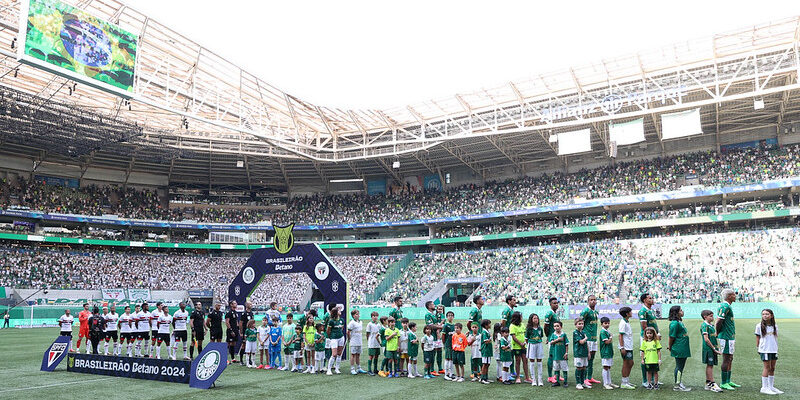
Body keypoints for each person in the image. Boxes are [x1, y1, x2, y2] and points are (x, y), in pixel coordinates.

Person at [716, 288, 738, 390]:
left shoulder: (727, 306)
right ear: (729, 296)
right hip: (725, 337)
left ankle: (728, 381)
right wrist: (717, 332)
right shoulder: (724, 306)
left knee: (730, 358)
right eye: (734, 295)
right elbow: (719, 321)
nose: (735, 296)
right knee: (726, 359)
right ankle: (723, 382)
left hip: (730, 336)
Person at [755, 308, 781, 395]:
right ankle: (764, 387)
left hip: (773, 349)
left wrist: (776, 348)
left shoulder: (775, 326)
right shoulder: (759, 326)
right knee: (767, 367)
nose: (765, 316)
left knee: (772, 368)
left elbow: (775, 338)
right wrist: (758, 347)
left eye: (767, 314)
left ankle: (771, 386)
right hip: (765, 349)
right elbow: (758, 337)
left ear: (771, 315)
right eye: (763, 314)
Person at [638, 293, 660, 387]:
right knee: (645, 359)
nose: (652, 299)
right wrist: (650, 337)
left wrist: (658, 334)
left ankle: (654, 380)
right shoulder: (643, 311)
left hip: (653, 337)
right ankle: (645, 380)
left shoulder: (651, 310)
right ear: (644, 300)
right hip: (646, 338)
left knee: (653, 357)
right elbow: (644, 326)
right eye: (649, 298)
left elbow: (654, 324)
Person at [667, 305, 691, 391]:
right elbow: (671, 336)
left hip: (683, 346)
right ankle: (677, 385)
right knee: (679, 366)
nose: (682, 311)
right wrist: (670, 346)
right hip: (679, 346)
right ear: (676, 313)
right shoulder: (674, 323)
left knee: (681, 366)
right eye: (681, 310)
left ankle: (679, 382)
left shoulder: (679, 322)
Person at [700, 309, 723, 392]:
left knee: (711, 365)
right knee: (710, 365)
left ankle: (708, 383)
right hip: (708, 349)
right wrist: (713, 348)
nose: (712, 317)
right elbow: (706, 339)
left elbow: (714, 336)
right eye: (711, 316)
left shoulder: (711, 325)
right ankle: (712, 383)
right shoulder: (704, 325)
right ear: (705, 317)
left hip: (712, 349)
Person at [581, 295, 601, 386]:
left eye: (594, 300)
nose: (593, 301)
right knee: (586, 358)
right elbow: (580, 323)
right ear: (588, 301)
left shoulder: (596, 312)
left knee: (592, 358)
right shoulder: (585, 311)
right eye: (591, 300)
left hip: (594, 338)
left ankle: (590, 377)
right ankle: (584, 379)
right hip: (587, 338)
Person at [544, 297, 561, 384]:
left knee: (557, 357)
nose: (556, 304)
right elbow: (545, 327)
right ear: (550, 304)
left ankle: (556, 375)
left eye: (557, 303)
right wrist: (548, 337)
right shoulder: (549, 313)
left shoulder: (556, 313)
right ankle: (550, 376)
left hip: (557, 338)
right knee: (551, 357)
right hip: (552, 339)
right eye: (554, 303)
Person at [423, 302, 443, 376]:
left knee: (439, 350)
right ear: (429, 306)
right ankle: (432, 369)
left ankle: (440, 368)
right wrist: (440, 327)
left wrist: (439, 328)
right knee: (433, 352)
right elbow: (431, 326)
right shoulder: (427, 315)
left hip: (437, 335)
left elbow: (438, 323)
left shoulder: (434, 314)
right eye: (433, 304)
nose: (434, 305)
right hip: (432, 336)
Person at [509, 311, 529, 383]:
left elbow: (525, 334)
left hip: (524, 345)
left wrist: (524, 343)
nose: (522, 318)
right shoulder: (512, 326)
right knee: (518, 361)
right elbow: (513, 337)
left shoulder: (522, 325)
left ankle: (527, 377)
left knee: (525, 361)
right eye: (521, 317)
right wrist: (520, 343)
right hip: (516, 346)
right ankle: (517, 377)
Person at [618, 306, 635, 390]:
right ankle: (624, 382)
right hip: (626, 347)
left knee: (630, 363)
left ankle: (626, 380)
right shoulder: (623, 323)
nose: (632, 313)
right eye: (630, 312)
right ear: (627, 314)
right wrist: (622, 347)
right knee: (626, 363)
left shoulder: (626, 322)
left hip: (629, 346)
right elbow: (620, 335)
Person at [325, 305, 346, 375]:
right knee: (334, 354)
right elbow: (328, 331)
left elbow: (341, 329)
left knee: (339, 354)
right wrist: (331, 337)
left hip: (341, 337)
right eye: (339, 311)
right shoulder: (331, 321)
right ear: (336, 312)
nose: (340, 311)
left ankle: (337, 368)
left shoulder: (342, 320)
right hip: (334, 338)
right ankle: (329, 369)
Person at [547, 321, 569, 388]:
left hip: (562, 355)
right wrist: (557, 340)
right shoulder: (553, 335)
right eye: (555, 326)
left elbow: (566, 344)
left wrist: (566, 352)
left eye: (558, 326)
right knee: (556, 369)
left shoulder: (564, 334)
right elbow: (551, 343)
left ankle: (565, 382)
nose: (556, 328)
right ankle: (557, 381)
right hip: (555, 355)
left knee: (564, 369)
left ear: (561, 327)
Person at [525, 312, 544, 386]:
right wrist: (530, 343)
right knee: (532, 361)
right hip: (531, 345)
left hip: (539, 344)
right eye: (534, 318)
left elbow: (541, 336)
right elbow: (526, 338)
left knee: (539, 361)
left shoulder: (540, 328)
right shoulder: (529, 329)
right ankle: (533, 379)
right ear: (531, 320)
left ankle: (540, 379)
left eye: (537, 318)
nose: (536, 319)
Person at [500, 295, 517, 377]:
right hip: (508, 334)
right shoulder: (506, 310)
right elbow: (503, 321)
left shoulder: (511, 310)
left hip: (511, 333)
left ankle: (512, 371)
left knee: (512, 353)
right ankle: (508, 372)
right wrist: (504, 333)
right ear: (509, 301)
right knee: (508, 353)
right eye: (513, 300)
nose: (515, 301)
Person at [599, 316, 617, 390]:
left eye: (608, 323)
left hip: (609, 351)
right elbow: (606, 342)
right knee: (605, 367)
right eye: (605, 323)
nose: (607, 324)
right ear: (601, 324)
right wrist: (611, 337)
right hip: (605, 352)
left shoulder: (607, 331)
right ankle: (605, 383)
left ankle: (609, 382)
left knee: (609, 367)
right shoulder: (603, 332)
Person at [573, 318, 589, 390]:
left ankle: (583, 382)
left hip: (584, 352)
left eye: (582, 324)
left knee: (584, 367)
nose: (581, 325)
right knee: (579, 367)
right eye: (579, 324)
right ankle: (578, 383)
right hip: (578, 353)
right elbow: (581, 342)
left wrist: (588, 352)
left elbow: (586, 343)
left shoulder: (583, 332)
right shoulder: (575, 332)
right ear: (575, 325)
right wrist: (585, 338)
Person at [366, 311, 381, 376]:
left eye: (376, 316)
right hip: (371, 342)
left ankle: (375, 369)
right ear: (371, 317)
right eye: (374, 316)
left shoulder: (378, 325)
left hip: (377, 342)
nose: (375, 317)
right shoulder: (369, 324)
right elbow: (367, 333)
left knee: (376, 356)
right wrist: (368, 340)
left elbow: (379, 333)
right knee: (371, 356)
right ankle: (369, 370)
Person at [441, 310, 455, 380]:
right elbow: (443, 335)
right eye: (449, 315)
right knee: (447, 358)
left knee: (451, 359)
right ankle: (446, 374)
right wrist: (444, 343)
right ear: (446, 317)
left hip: (453, 344)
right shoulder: (446, 325)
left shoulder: (454, 325)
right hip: (448, 344)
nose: (450, 317)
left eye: (451, 315)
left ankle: (451, 373)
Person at [479, 319, 493, 385]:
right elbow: (486, 341)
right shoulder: (484, 332)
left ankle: (486, 377)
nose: (490, 325)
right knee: (485, 364)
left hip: (488, 350)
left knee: (487, 364)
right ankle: (482, 378)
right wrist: (490, 339)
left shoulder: (487, 331)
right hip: (485, 350)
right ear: (486, 325)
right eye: (489, 324)